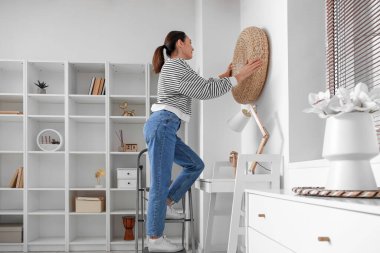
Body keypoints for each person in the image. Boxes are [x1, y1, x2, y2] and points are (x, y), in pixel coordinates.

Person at [144, 30, 262, 252]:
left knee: (195, 164)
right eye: (190, 43)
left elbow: (201, 84)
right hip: (163, 125)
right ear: (180, 43)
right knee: (160, 183)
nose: (193, 47)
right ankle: (155, 238)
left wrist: (224, 77)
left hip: (167, 125)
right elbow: (205, 91)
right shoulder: (175, 67)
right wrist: (240, 76)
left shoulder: (178, 67)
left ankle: (167, 202)